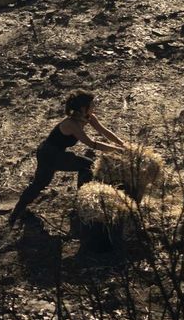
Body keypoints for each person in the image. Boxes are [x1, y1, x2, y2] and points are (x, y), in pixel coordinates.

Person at [8, 91, 128, 222]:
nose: (95, 106)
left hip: (57, 152)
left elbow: (104, 132)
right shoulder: (71, 124)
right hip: (49, 154)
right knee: (42, 182)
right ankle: (16, 213)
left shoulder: (89, 117)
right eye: (93, 104)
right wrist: (117, 150)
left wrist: (123, 144)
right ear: (83, 108)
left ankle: (81, 202)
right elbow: (91, 144)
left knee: (82, 167)